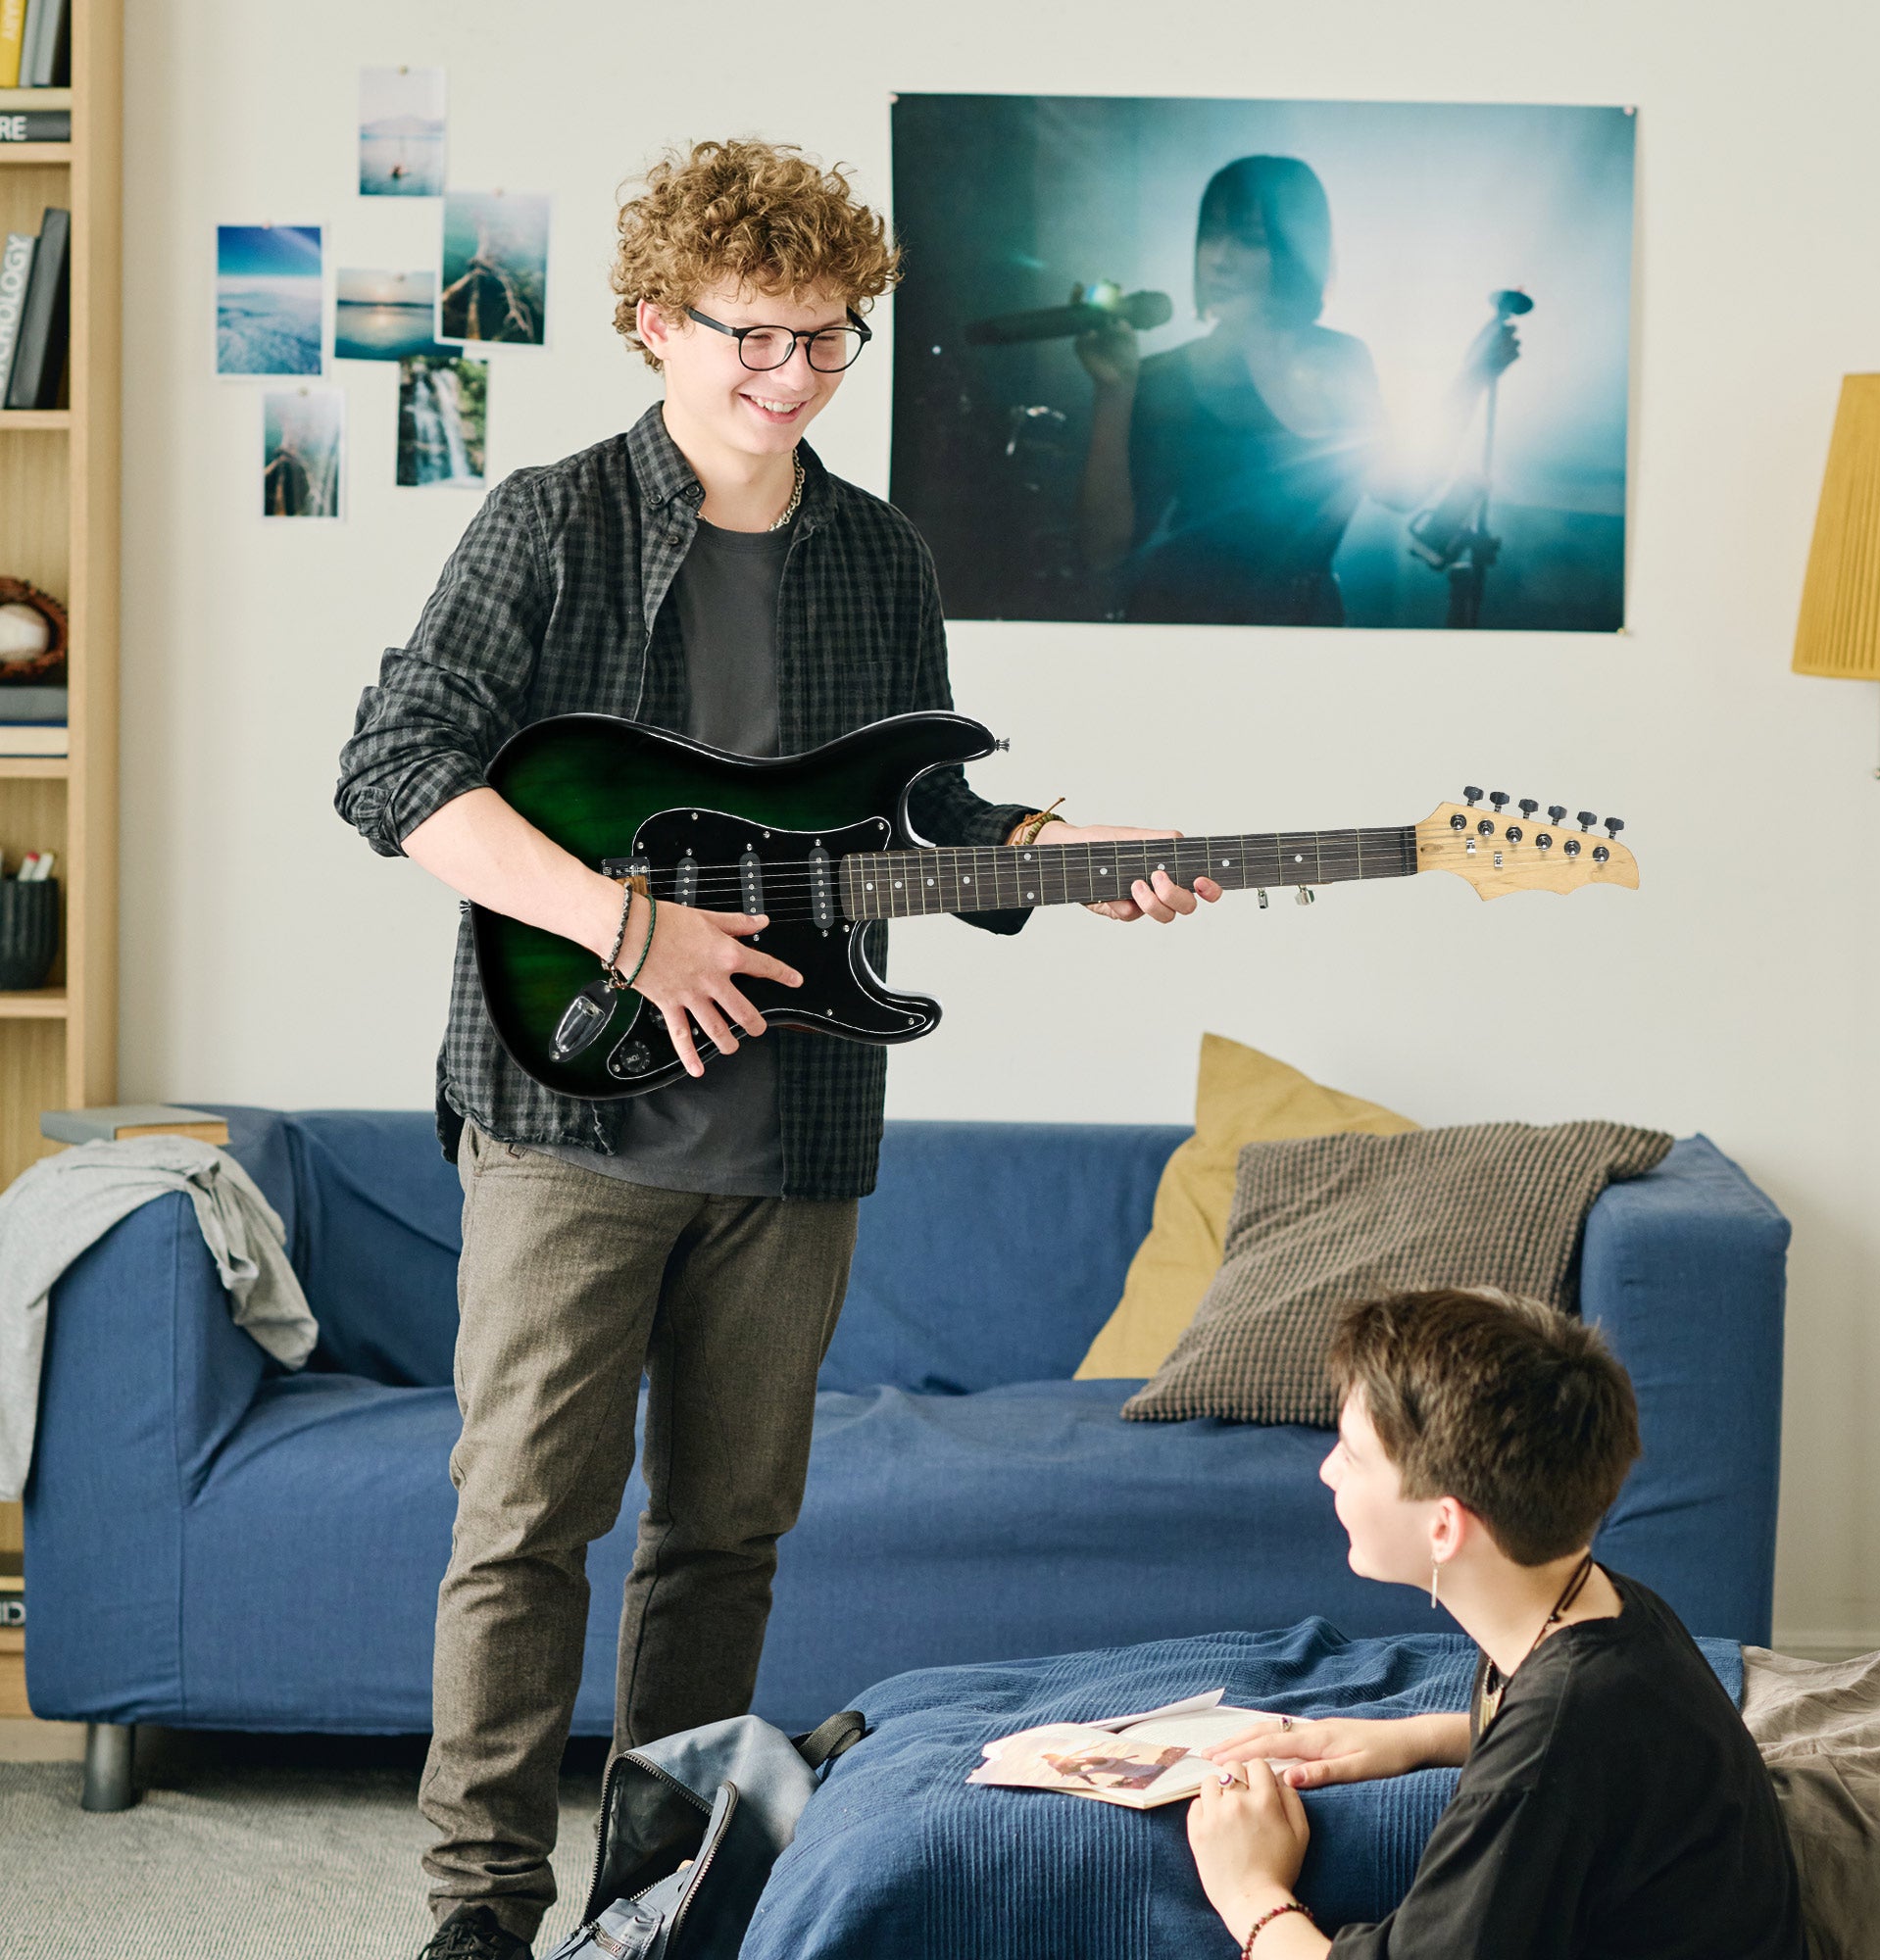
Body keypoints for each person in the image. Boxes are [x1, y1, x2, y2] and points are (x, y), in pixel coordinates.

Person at [333, 138, 1219, 1960]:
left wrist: (1061, 865)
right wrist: (626, 924)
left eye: (829, 341)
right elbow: (396, 770)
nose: (791, 378)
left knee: (723, 1546)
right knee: (521, 1531)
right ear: (655, 324)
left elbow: (922, 816)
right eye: (751, 338)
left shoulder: (877, 554)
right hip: (565, 1112)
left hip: (793, 1129)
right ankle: (481, 1925)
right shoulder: (548, 521)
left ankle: (659, 1906)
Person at [1184, 1288, 1807, 1959]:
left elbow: (1553, 1761)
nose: (1327, 1469)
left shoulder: (1549, 1752)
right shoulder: (1611, 1605)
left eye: (1353, 1455)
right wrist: (1420, 1738)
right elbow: (1597, 1757)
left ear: (1444, 1526)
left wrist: (1249, 1891)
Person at [1074, 154, 1519, 625]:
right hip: (1193, 624)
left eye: (1249, 239)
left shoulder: (1346, 357)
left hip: (1309, 621)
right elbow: (1103, 550)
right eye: (1211, 234)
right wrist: (1114, 392)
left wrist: (1471, 379)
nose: (1218, 259)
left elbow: (1400, 489)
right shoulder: (1164, 375)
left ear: (1296, 249)